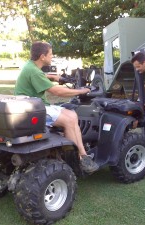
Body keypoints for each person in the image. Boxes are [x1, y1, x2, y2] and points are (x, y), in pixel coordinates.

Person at [14, 41, 99, 173]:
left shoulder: (30, 66)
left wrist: (56, 77)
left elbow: (40, 75)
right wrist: (82, 91)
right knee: (69, 118)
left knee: (72, 115)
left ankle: (83, 155)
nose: (52, 56)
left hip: (30, 106)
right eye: (51, 54)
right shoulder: (34, 71)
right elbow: (58, 92)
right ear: (42, 56)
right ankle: (75, 160)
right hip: (33, 110)